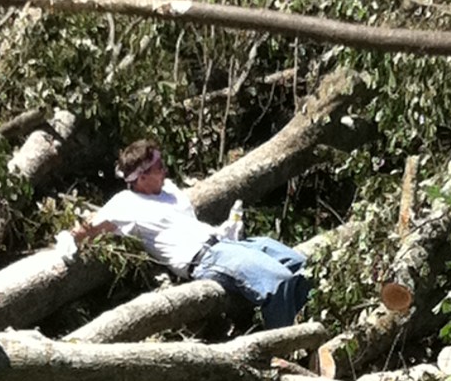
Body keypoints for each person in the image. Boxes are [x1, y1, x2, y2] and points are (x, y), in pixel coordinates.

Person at [71, 139, 310, 329]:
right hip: (205, 259)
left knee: (302, 265)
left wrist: (227, 230)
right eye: (159, 168)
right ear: (142, 177)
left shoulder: (170, 191)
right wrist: (69, 239)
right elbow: (88, 229)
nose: (165, 171)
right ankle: (286, 351)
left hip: (227, 244)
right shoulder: (125, 203)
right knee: (279, 283)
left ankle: (315, 324)